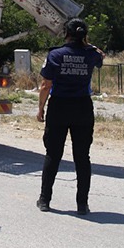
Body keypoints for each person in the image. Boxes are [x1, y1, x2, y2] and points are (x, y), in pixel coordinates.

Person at [36, 18, 104, 215]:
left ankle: (44, 200)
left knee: (53, 154)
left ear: (66, 33)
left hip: (59, 106)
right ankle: (82, 204)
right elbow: (101, 56)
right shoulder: (91, 54)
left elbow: (45, 85)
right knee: (82, 157)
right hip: (82, 107)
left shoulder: (56, 54)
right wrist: (89, 44)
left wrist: (41, 108)